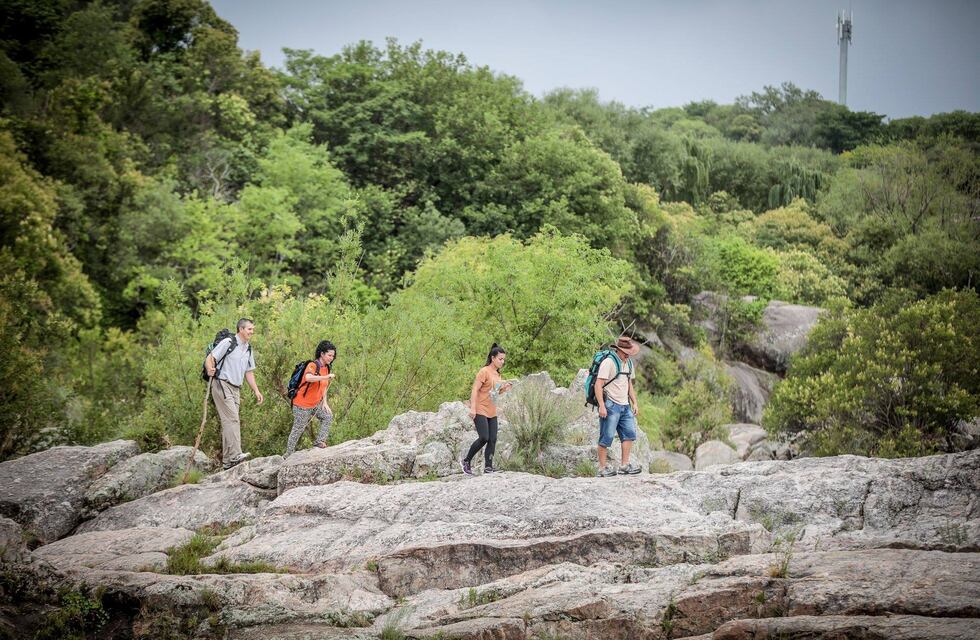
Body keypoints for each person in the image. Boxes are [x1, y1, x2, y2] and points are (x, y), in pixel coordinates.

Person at [205, 318, 264, 470]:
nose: (252, 331)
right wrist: (209, 368)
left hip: (236, 388)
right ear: (241, 329)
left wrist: (256, 390)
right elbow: (210, 358)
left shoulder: (248, 348)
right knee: (232, 420)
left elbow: (249, 372)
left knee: (228, 423)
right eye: (249, 329)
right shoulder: (228, 342)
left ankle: (227, 463)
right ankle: (235, 455)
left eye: (252, 329)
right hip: (221, 383)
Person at [461, 344, 513, 475]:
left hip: (492, 410)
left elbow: (494, 392)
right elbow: (475, 389)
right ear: (493, 358)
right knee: (484, 437)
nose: (502, 362)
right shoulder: (484, 371)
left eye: (503, 359)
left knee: (493, 439)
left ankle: (488, 467)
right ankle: (466, 461)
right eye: (500, 359)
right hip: (480, 408)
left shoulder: (497, 374)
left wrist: (504, 388)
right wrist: (472, 408)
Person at [594, 335, 641, 477]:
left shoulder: (629, 363)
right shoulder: (609, 362)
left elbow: (629, 384)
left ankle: (624, 465)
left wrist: (635, 402)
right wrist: (601, 405)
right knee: (606, 437)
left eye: (630, 354)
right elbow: (598, 384)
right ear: (619, 350)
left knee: (629, 434)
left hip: (625, 405)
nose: (628, 356)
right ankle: (602, 468)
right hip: (610, 405)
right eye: (626, 353)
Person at [284, 341, 337, 457]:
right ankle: (288, 454)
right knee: (298, 429)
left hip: (315, 404)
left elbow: (324, 386)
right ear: (322, 354)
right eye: (329, 355)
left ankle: (319, 441)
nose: (331, 358)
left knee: (327, 416)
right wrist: (325, 376)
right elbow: (308, 377)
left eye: (333, 356)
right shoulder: (312, 365)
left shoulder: (326, 368)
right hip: (302, 404)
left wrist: (325, 402)